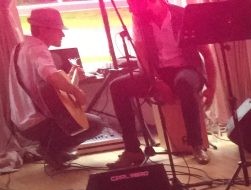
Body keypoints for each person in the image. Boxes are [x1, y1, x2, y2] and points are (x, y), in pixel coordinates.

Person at [106, 0, 216, 169]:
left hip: (186, 68)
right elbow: (142, 56)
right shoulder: (139, 20)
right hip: (156, 72)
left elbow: (207, 54)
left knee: (185, 84)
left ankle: (196, 144)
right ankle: (132, 150)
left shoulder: (184, 15)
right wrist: (156, 81)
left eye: (136, 6)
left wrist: (212, 87)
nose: (132, 11)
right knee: (117, 87)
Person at [7, 8, 104, 169]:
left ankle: (52, 148)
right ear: (45, 29)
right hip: (36, 122)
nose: (63, 35)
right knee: (96, 123)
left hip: (20, 121)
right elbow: (51, 76)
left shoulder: (21, 46)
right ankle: (52, 149)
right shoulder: (39, 49)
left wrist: (73, 77)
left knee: (80, 119)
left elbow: (47, 87)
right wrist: (76, 91)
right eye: (59, 30)